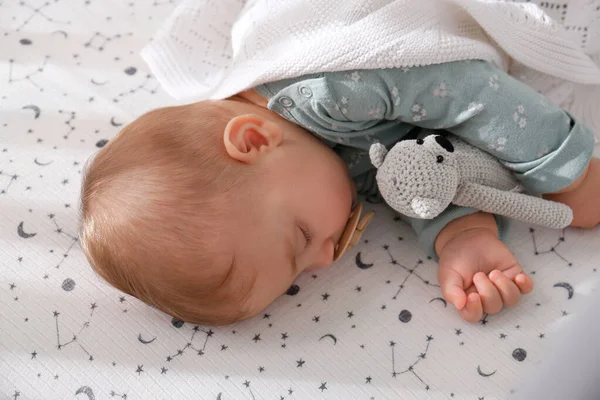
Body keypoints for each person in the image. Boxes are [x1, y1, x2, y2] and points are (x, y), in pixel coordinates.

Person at [79, 59, 599, 325]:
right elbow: (413, 160)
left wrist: (565, 171)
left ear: (254, 139)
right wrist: (460, 233)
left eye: (301, 237)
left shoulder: (329, 92)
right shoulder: (314, 158)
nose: (326, 259)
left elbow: (467, 88)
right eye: (301, 275)